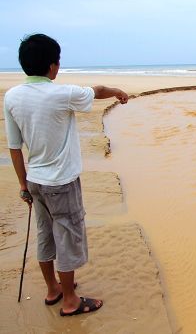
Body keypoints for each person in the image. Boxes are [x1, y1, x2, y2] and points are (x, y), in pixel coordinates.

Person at [3, 33, 129, 316]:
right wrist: (118, 91)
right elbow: (96, 91)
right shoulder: (62, 94)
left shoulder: (12, 97)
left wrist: (23, 184)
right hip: (62, 182)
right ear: (52, 66)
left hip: (35, 181)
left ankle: (53, 290)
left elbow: (14, 147)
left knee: (45, 235)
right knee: (68, 236)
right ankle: (71, 300)